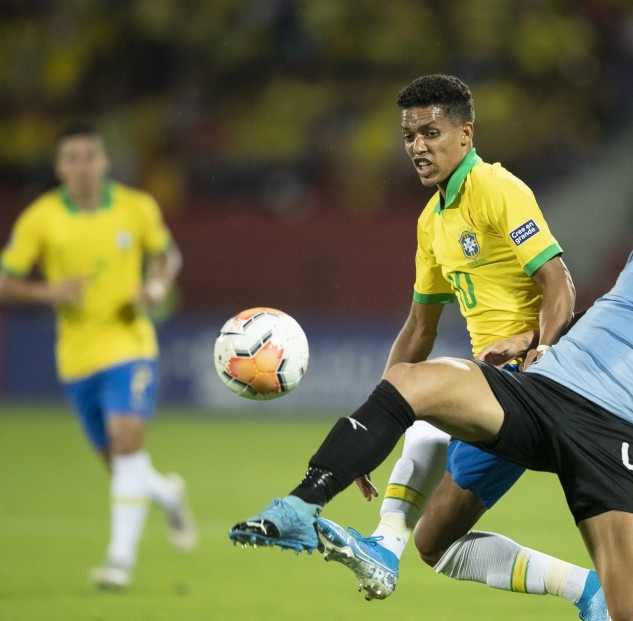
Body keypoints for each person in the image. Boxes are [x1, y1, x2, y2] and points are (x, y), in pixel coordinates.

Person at [229, 145, 633, 620]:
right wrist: (537, 342)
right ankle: (300, 505)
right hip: (541, 390)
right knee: (412, 385)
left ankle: (590, 594)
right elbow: (609, 321)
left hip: (613, 434)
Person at [231, 74, 608, 619]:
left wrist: (543, 351)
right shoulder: (432, 221)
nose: (418, 147)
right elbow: (418, 329)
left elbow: (559, 283)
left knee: (429, 399)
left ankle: (357, 532)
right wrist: (370, 428)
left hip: (537, 383)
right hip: (495, 394)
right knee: (438, 546)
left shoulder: (497, 188)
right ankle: (589, 591)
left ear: (465, 134)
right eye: (409, 136)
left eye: (431, 132)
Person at [0, 123, 196, 590]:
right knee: (120, 465)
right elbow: (5, 280)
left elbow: (168, 256)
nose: (83, 166)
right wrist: (49, 291)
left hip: (130, 346)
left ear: (105, 162)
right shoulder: (41, 218)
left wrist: (155, 287)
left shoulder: (136, 207)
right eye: (73, 158)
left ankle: (118, 563)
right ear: (59, 167)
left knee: (127, 447)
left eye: (91, 156)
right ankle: (167, 494)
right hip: (75, 358)